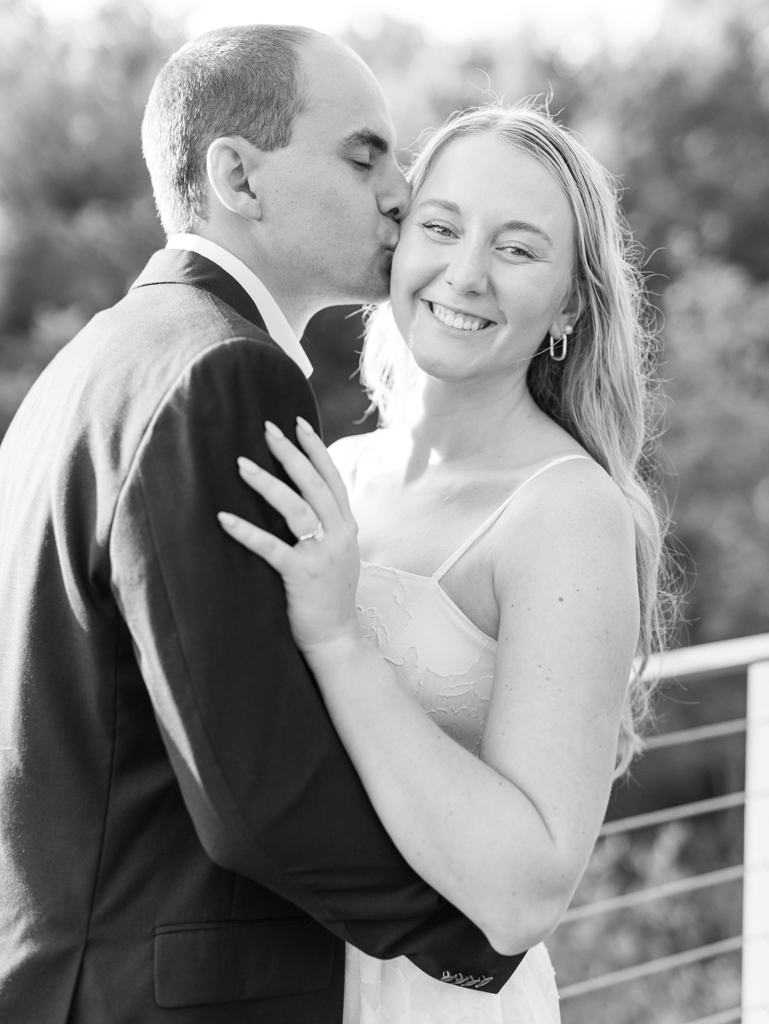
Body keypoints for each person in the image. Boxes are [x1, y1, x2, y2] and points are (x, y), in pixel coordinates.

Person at [0, 28, 525, 1024]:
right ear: (237, 175)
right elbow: (252, 782)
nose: (399, 194)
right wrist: (478, 932)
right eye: (363, 155)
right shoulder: (224, 373)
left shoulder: (92, 365)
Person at [218, 103, 671, 1023]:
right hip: (279, 979)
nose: (464, 274)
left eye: (517, 249)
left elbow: (525, 894)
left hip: (437, 999)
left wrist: (340, 638)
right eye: (440, 226)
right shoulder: (336, 470)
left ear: (571, 302)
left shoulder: (565, 511)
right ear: (398, 240)